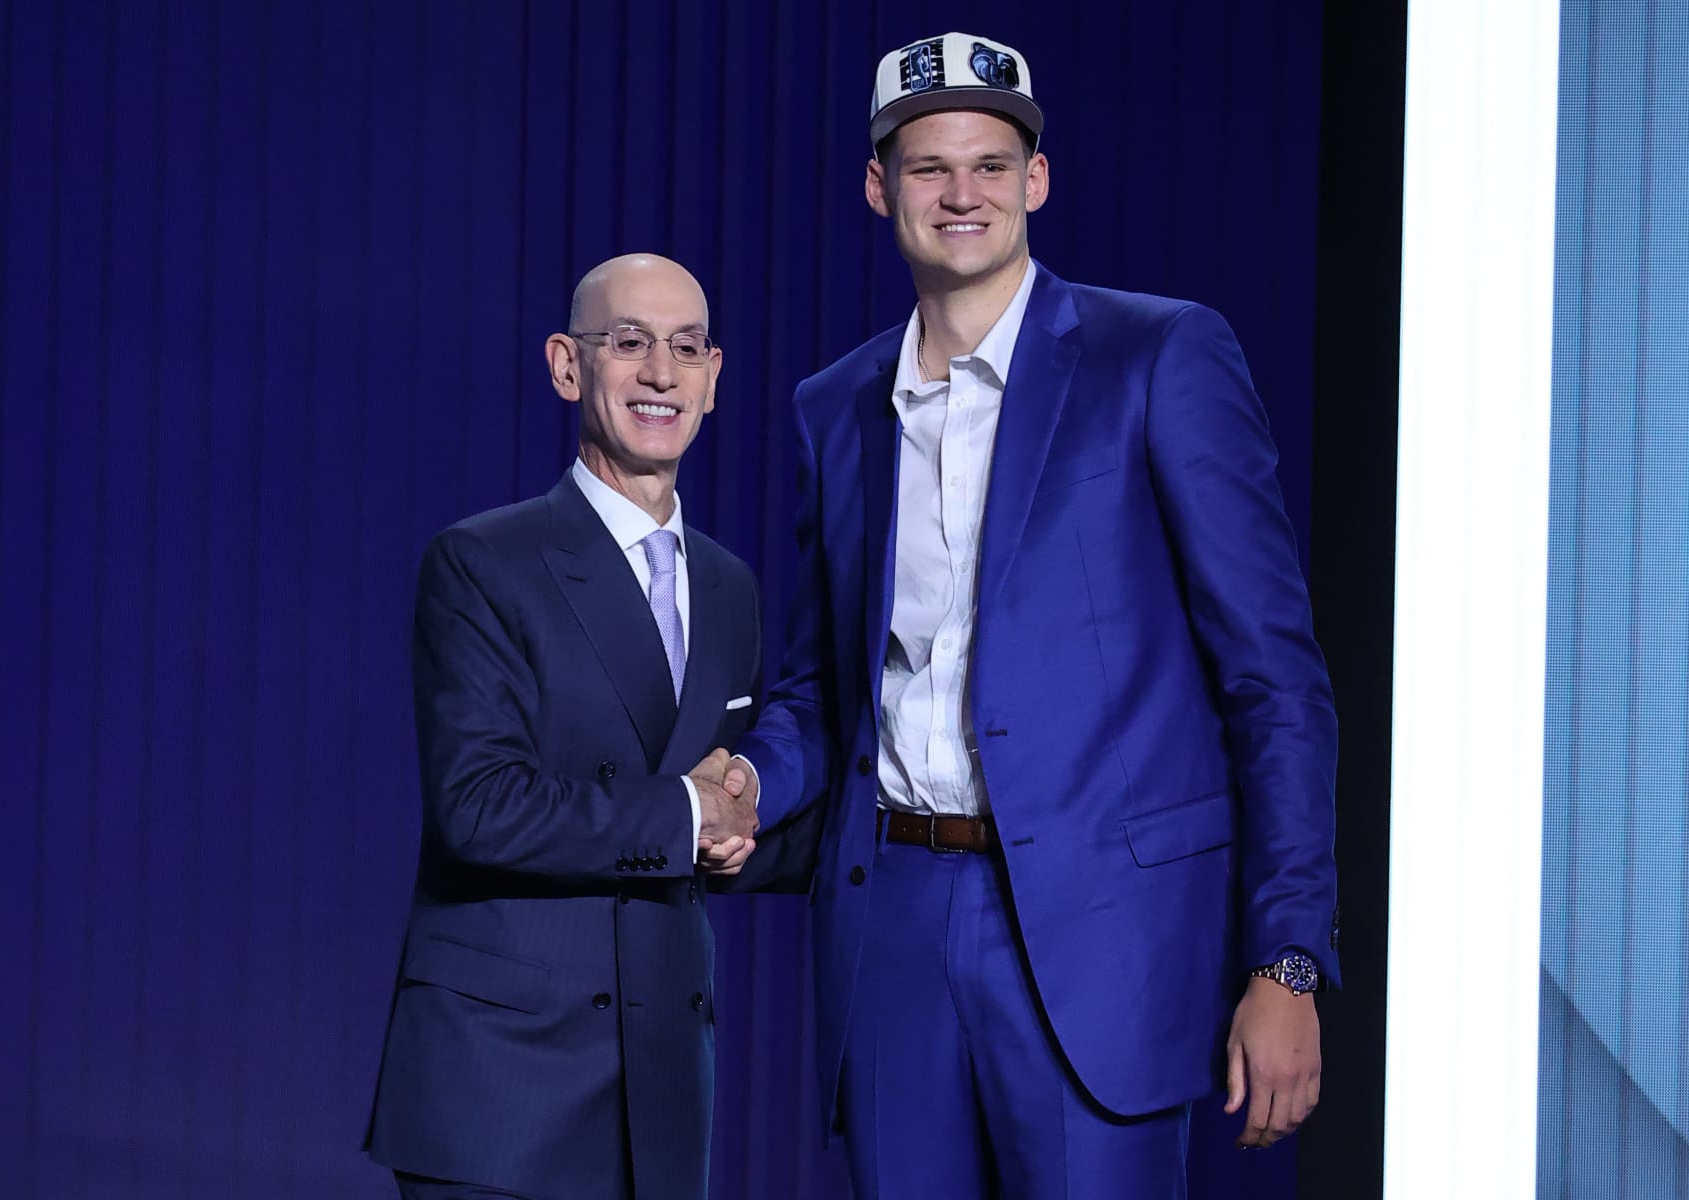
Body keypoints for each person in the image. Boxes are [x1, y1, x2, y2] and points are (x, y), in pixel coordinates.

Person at [722, 32, 1341, 1199]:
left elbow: (1274, 681)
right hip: (894, 921)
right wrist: (745, 783)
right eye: (929, 168)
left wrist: (1288, 955)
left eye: (992, 165)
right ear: (878, 187)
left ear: (1036, 182)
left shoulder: (1157, 356)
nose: (963, 194)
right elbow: (823, 690)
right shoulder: (836, 406)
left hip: (1105, 931)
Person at [365, 254, 764, 1200]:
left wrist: (751, 814)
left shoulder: (728, 586)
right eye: (629, 344)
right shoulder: (483, 561)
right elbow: (480, 808)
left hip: (662, 1089)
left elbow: (720, 799)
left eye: (685, 347)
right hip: (503, 1084)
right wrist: (687, 817)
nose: (660, 374)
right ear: (566, 366)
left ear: (713, 376)